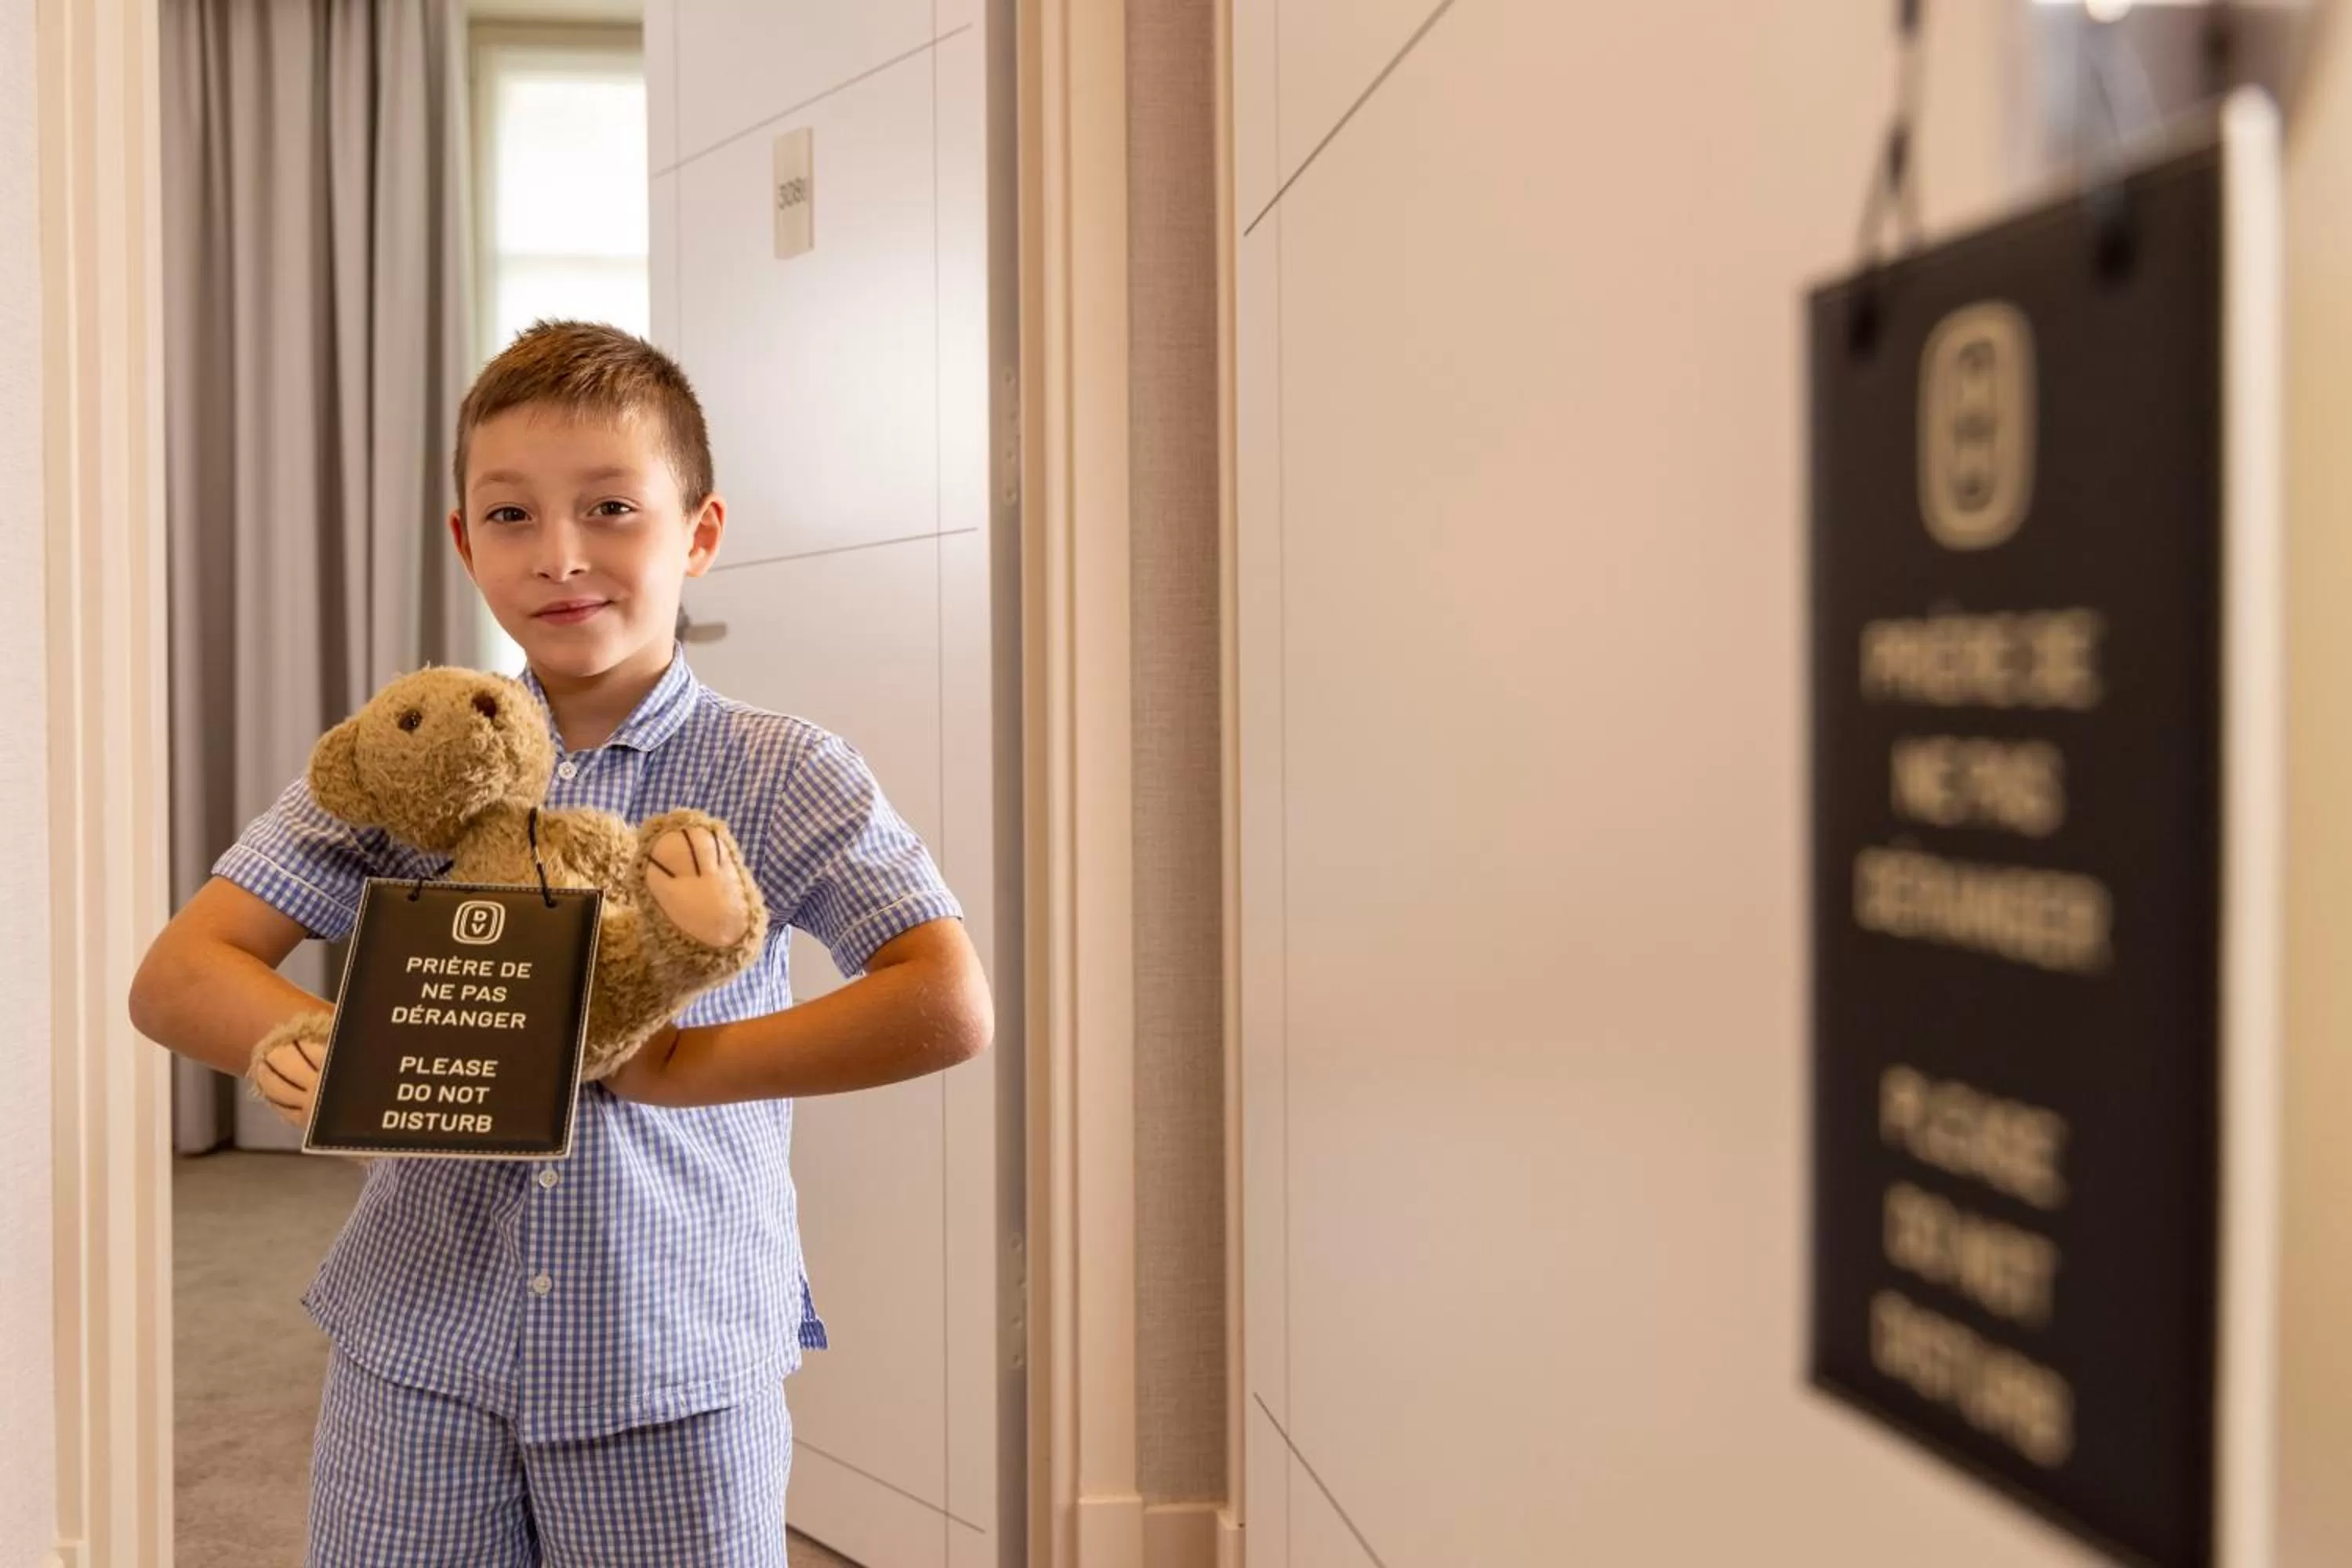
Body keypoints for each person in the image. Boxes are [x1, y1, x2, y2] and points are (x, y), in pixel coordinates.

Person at [128, 319, 993, 1565]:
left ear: (699, 533)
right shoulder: (413, 752)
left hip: (673, 1361)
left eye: (611, 508)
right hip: (420, 1346)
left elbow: (945, 1001)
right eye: (514, 516)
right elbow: (180, 975)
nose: (562, 554)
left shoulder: (782, 769)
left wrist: (683, 1064)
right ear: (464, 541)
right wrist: (321, 1041)